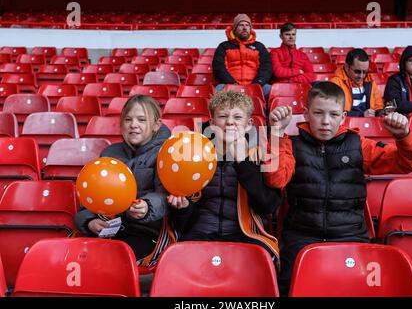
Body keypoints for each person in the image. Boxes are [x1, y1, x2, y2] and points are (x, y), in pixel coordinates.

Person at [264, 81, 412, 296]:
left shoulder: (358, 144)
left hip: (350, 236)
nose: (325, 121)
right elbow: (275, 179)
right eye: (318, 113)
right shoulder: (291, 144)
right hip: (301, 237)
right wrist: (276, 134)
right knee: (290, 289)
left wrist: (404, 136)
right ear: (306, 114)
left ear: (343, 116)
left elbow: (409, 162)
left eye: (333, 114)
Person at [168, 90, 281, 260]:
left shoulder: (261, 155)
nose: (230, 122)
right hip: (202, 231)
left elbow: (268, 206)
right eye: (222, 116)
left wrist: (243, 163)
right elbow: (183, 216)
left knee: (260, 263)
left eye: (237, 117)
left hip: (245, 234)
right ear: (212, 123)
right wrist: (182, 207)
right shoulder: (195, 156)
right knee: (178, 260)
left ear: (249, 124)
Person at [74, 95, 175, 266]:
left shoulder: (166, 153)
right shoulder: (109, 153)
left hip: (147, 231)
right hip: (109, 229)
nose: (133, 125)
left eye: (141, 120)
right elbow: (91, 197)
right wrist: (90, 221)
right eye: (128, 119)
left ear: (156, 125)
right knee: (75, 256)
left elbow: (164, 195)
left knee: (110, 260)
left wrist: (146, 207)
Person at [212, 14, 272, 101]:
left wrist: (257, 83)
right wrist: (233, 84)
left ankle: (268, 114)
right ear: (234, 28)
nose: (245, 28)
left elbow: (267, 67)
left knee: (272, 91)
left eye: (247, 25)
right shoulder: (224, 46)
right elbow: (218, 68)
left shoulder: (259, 46)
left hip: (256, 85)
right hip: (230, 85)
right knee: (218, 90)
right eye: (241, 25)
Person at [330, 48, 384, 117]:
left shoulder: (370, 82)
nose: (361, 76)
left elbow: (378, 106)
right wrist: (361, 115)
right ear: (347, 67)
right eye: (357, 72)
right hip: (346, 125)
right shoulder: (335, 83)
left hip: (370, 124)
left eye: (365, 72)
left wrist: (381, 112)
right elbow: (333, 112)